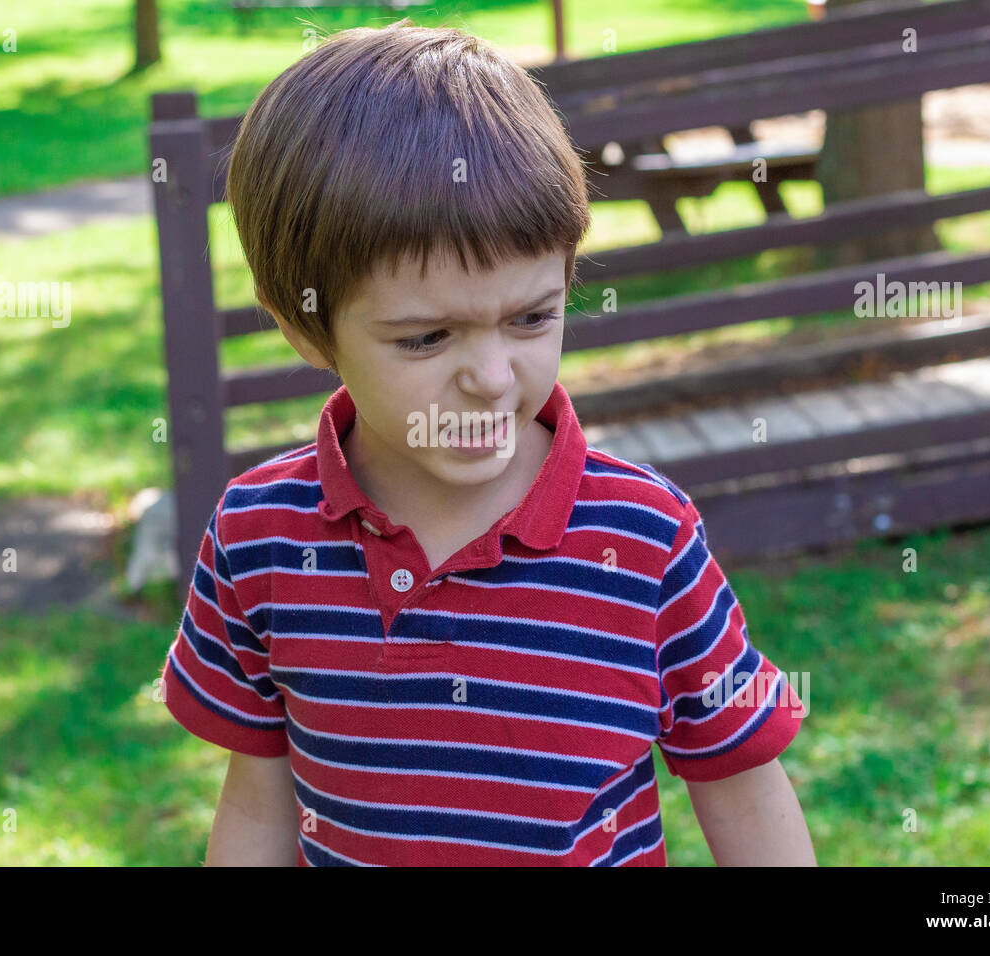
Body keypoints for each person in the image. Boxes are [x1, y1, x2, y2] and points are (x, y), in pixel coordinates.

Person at [159, 19, 815, 867]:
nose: (493, 377)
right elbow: (257, 801)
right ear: (305, 328)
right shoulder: (259, 536)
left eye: (532, 318)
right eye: (427, 338)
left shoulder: (646, 538)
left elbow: (743, 789)